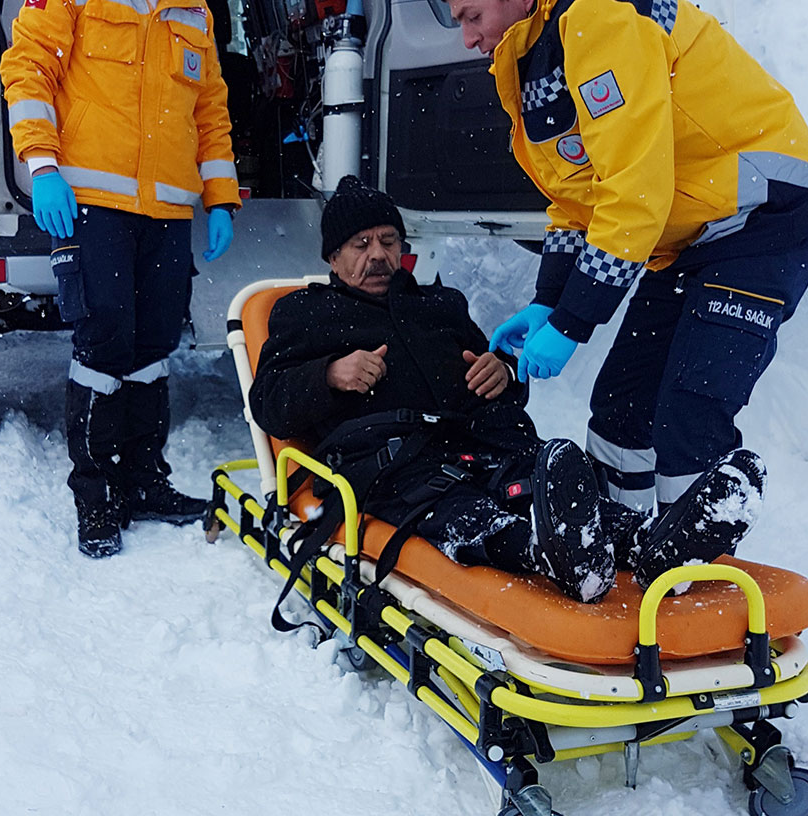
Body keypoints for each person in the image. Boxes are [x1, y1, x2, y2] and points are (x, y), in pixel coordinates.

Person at [433, 0, 808, 517]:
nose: (466, 37)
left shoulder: (599, 16)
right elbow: (578, 195)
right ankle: (617, 541)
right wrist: (550, 299)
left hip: (766, 215)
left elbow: (635, 192)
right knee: (621, 406)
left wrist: (572, 325)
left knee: (688, 410)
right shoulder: (538, 51)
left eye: (471, 16)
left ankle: (692, 575)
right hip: (691, 230)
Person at [248, 175, 765, 604]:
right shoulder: (306, 313)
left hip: (485, 444)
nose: (378, 255)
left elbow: (497, 380)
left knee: (538, 482)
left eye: (388, 241)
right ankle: (553, 553)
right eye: (361, 245)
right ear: (333, 258)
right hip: (396, 469)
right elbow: (268, 402)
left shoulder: (440, 305)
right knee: (468, 516)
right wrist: (331, 374)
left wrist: (502, 373)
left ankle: (651, 543)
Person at [1, 0, 240, 558]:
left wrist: (219, 195)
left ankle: (143, 479)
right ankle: (96, 495)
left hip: (165, 210)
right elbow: (28, 71)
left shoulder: (194, 1)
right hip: (91, 204)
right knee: (105, 339)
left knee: (154, 343)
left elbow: (210, 107)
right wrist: (42, 166)